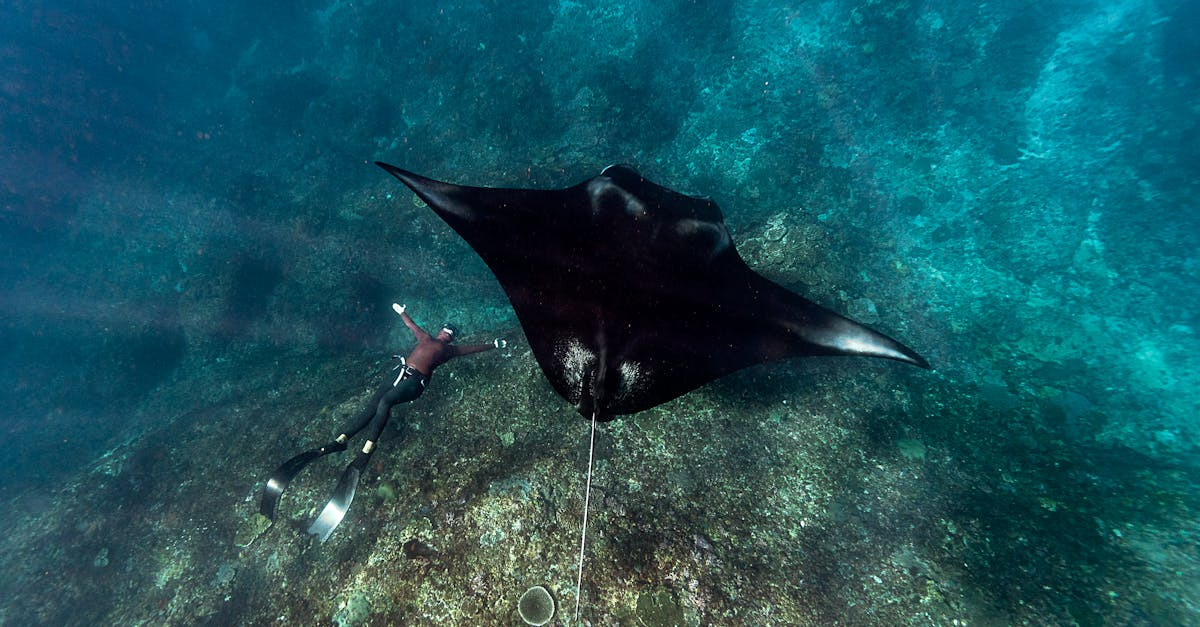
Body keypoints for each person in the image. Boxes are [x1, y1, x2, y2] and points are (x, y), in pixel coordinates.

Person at [260, 302, 507, 542]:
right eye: (445, 329)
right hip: (401, 373)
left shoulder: (450, 350)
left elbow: (472, 348)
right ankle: (342, 440)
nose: (446, 332)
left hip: (415, 383)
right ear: (440, 330)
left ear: (451, 338)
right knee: (372, 405)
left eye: (450, 332)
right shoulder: (426, 338)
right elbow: (412, 325)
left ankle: (367, 448)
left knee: (386, 402)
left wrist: (494, 345)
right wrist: (402, 312)